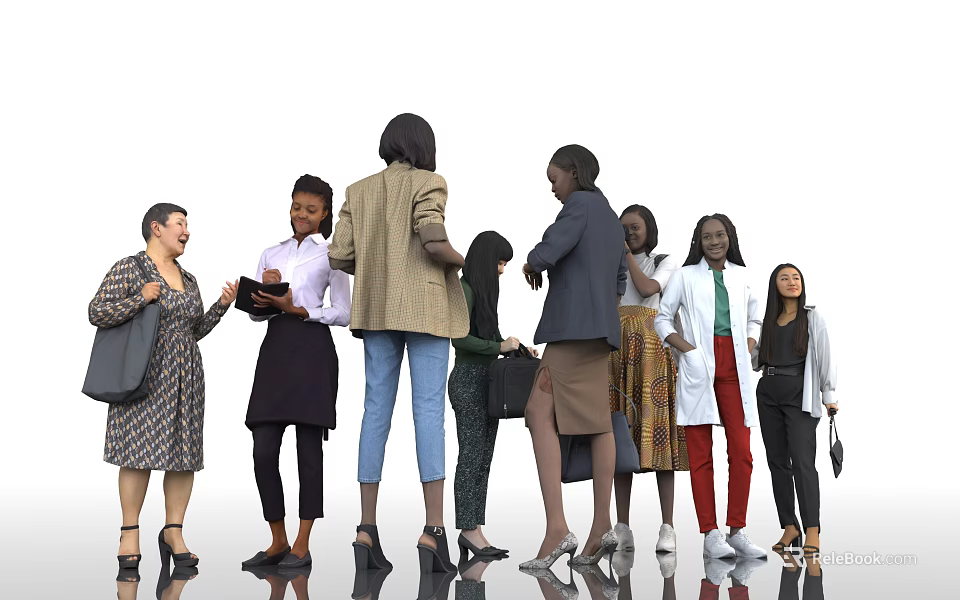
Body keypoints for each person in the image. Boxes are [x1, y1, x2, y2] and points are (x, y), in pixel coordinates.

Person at [328, 113, 469, 574]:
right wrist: (466, 263)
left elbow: (339, 254)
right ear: (422, 145)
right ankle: (433, 531)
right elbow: (432, 238)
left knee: (374, 412)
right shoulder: (430, 181)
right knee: (428, 411)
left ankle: (366, 529)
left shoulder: (358, 190)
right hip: (426, 309)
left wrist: (378, 267)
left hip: (376, 312)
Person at [89, 203, 237, 570]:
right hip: (144, 373)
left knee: (183, 455)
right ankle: (129, 532)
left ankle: (174, 532)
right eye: (180, 224)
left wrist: (222, 305)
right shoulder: (131, 267)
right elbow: (96, 312)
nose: (187, 231)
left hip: (187, 376)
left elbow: (194, 331)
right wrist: (140, 297)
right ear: (157, 228)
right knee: (137, 455)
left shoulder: (188, 278)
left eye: (188, 225)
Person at [517, 144, 628, 571]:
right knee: (598, 422)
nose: (552, 188)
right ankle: (602, 526)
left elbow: (550, 248)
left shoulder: (578, 205)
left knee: (536, 410)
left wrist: (531, 263)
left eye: (554, 178)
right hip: (600, 331)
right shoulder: (612, 217)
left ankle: (556, 528)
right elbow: (619, 279)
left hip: (570, 329)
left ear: (574, 173)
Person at [241, 175, 351, 570]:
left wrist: (299, 309)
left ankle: (302, 544)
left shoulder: (332, 256)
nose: (301, 214)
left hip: (312, 352)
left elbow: (343, 311)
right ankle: (277, 540)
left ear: (324, 214)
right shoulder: (271, 252)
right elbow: (257, 316)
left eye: (310, 209)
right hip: (275, 351)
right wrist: (264, 297)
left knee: (309, 453)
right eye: (296, 206)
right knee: (263, 450)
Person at [653, 214, 766, 560]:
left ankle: (737, 530)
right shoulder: (685, 276)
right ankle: (710, 534)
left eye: (719, 235)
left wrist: (748, 345)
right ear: (698, 242)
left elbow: (754, 317)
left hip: (735, 365)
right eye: (707, 237)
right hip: (699, 364)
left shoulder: (743, 276)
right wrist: (687, 351)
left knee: (742, 452)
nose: (714, 242)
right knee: (701, 454)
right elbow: (662, 317)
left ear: (729, 237)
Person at [449, 231, 537, 560]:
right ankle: (468, 529)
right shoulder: (464, 289)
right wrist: (499, 346)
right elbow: (458, 337)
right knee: (471, 456)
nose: (502, 270)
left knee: (483, 459)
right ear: (487, 260)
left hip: (488, 381)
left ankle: (474, 528)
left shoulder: (483, 293)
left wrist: (517, 348)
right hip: (468, 379)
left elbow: (490, 336)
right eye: (500, 263)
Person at [609, 204, 688, 556]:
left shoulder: (665, 262)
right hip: (617, 355)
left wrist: (623, 252)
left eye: (634, 226)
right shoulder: (608, 266)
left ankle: (667, 527)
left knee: (659, 438)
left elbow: (645, 290)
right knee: (617, 440)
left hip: (654, 356)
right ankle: (621, 526)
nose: (629, 232)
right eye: (622, 228)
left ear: (648, 229)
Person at [752, 264, 837, 557]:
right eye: (784, 278)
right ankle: (789, 525)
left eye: (796, 277)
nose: (792, 282)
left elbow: (826, 356)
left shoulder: (812, 318)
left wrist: (830, 395)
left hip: (800, 394)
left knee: (802, 462)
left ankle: (812, 528)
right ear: (774, 286)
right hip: (768, 393)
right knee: (777, 462)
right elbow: (754, 359)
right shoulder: (767, 321)